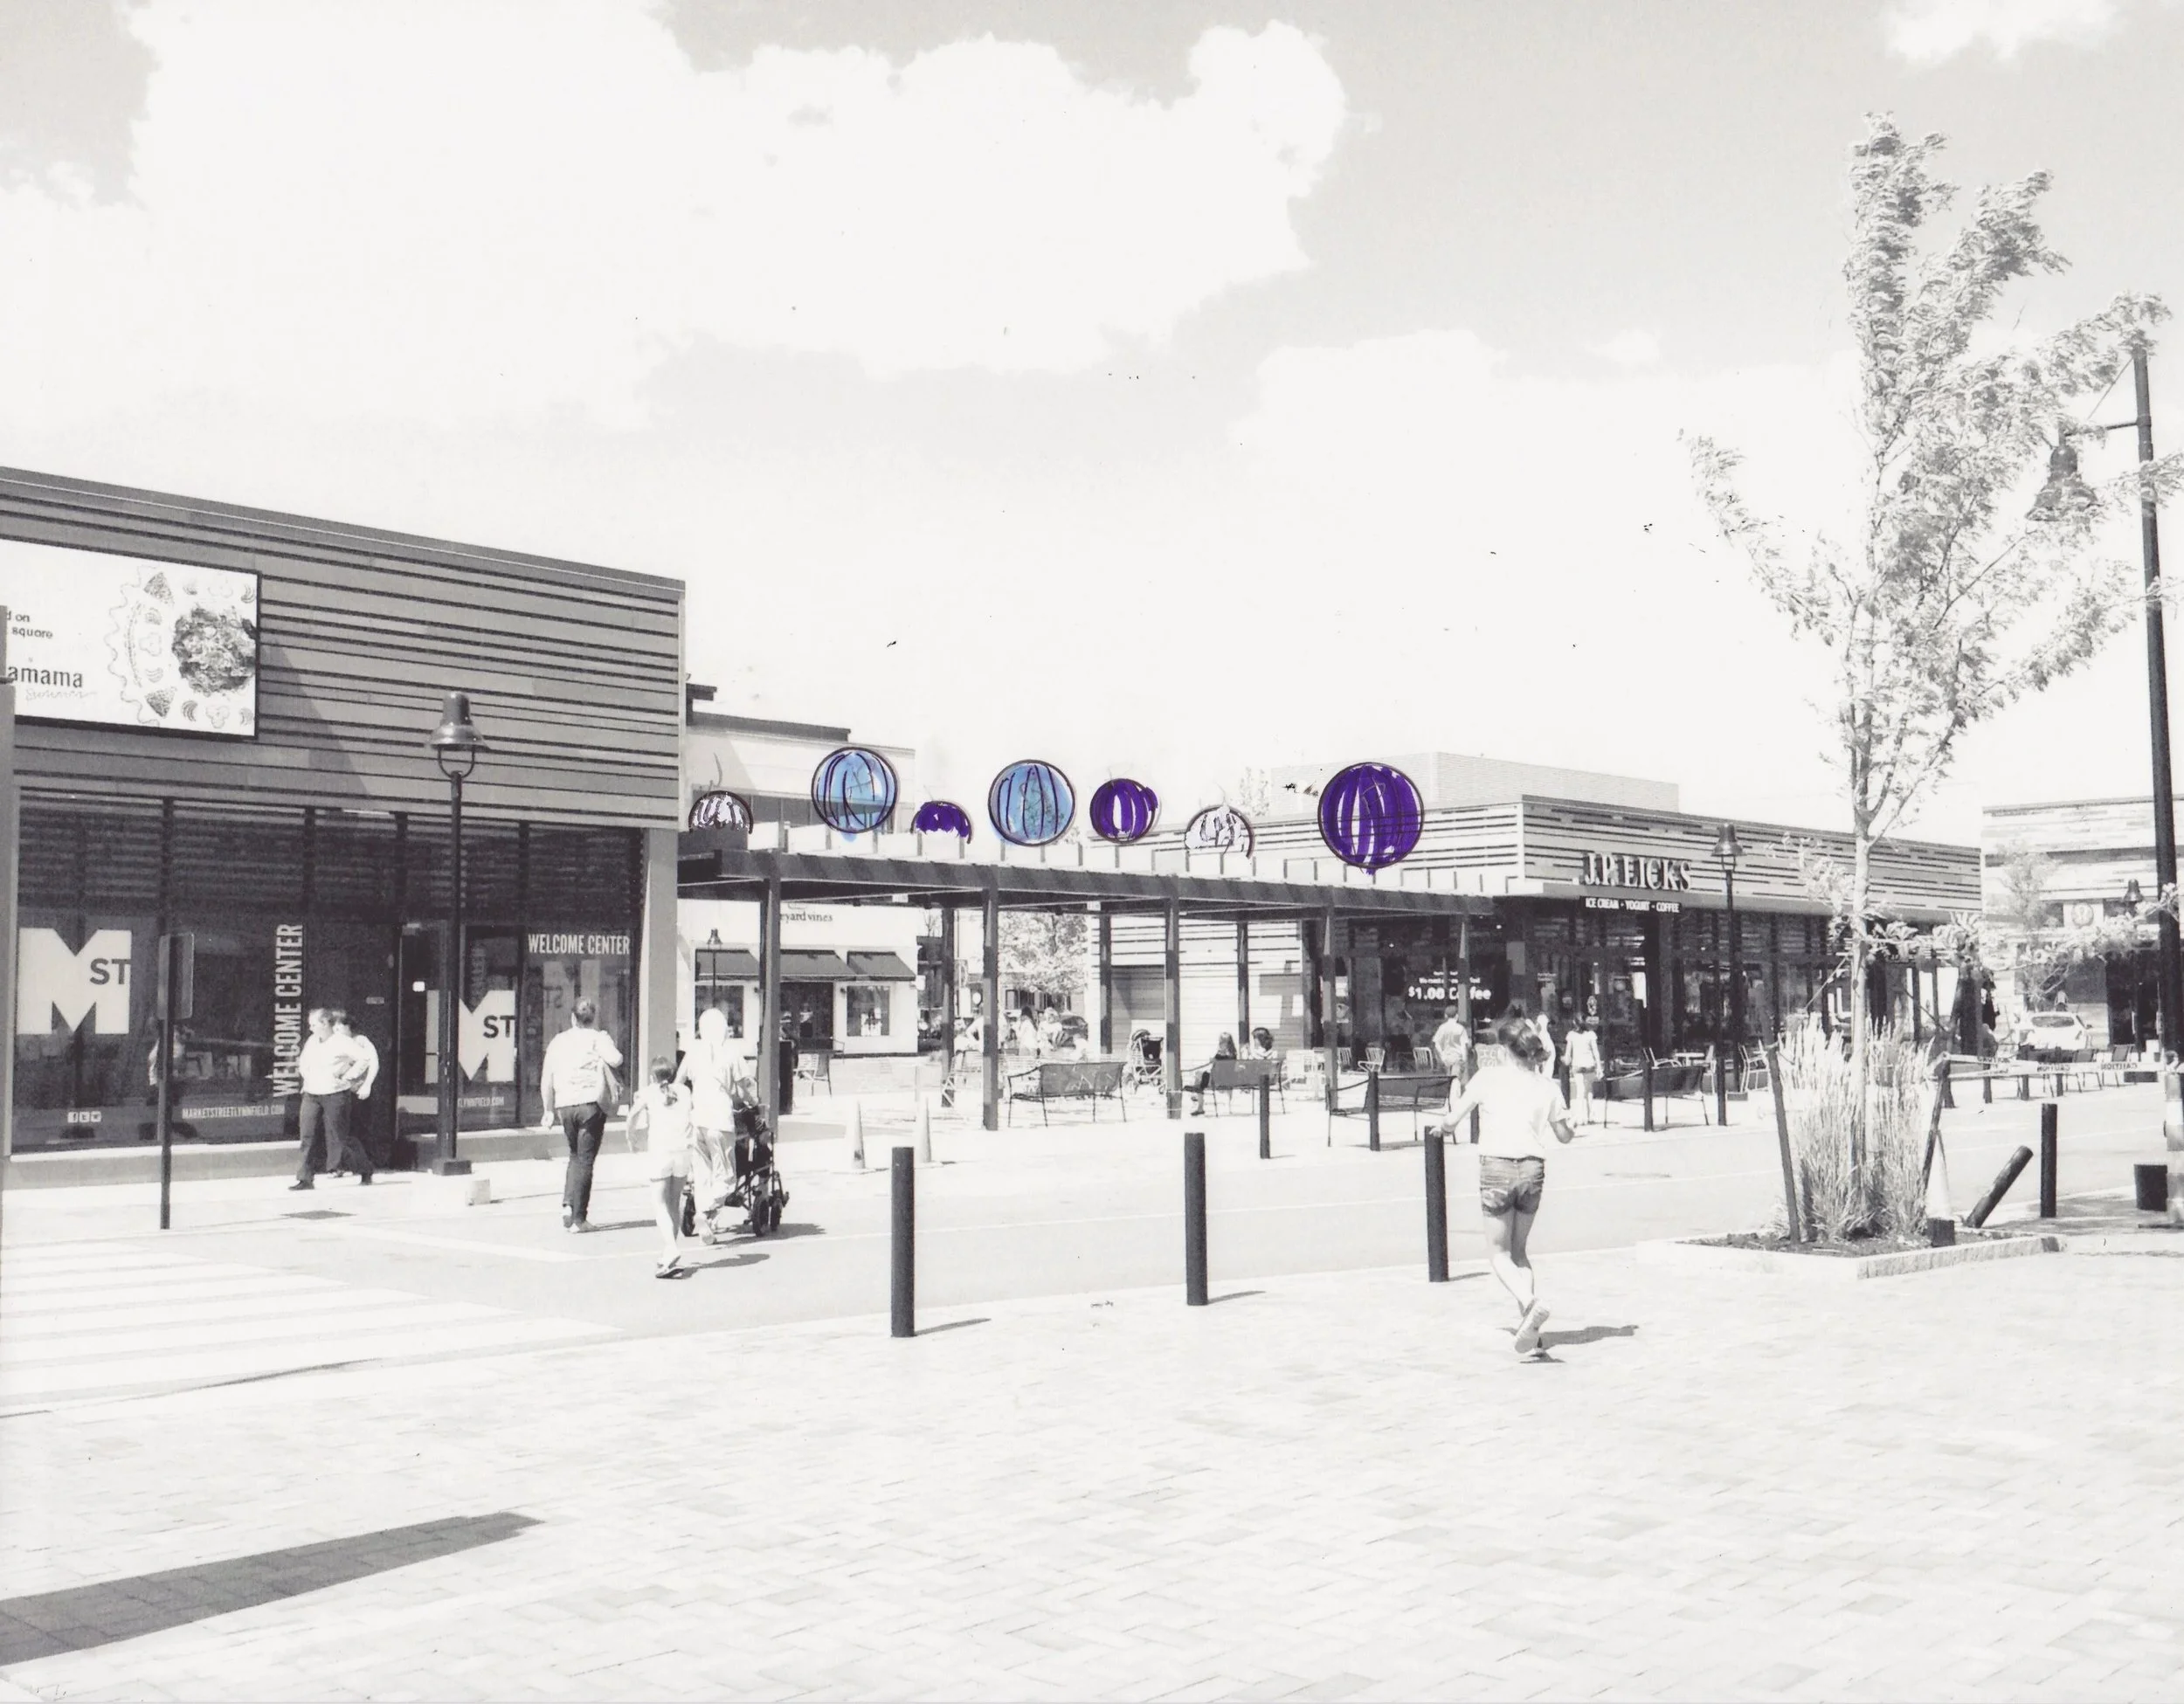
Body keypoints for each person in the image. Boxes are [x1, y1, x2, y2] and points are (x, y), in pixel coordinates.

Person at [1442, 1014, 1578, 1357]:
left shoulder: (1487, 1078)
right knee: (1520, 1251)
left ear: (1505, 1049)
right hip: (1533, 1168)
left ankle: (1530, 1302)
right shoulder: (1547, 1086)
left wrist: (1440, 1129)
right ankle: (1530, 1335)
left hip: (1496, 1166)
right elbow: (1564, 1135)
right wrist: (1571, 1122)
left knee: (1499, 1254)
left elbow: (1452, 1119)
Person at [539, 998, 623, 1232]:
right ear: (593, 1018)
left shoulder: (558, 1041)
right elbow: (617, 1059)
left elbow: (547, 1078)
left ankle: (568, 1204)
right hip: (590, 1104)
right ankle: (579, 1219)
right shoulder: (598, 1038)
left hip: (565, 1105)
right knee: (586, 1159)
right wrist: (606, 1040)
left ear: (573, 1018)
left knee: (574, 1155)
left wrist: (548, 1109)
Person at [678, 1008, 743, 1238]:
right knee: (726, 1178)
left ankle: (704, 1217)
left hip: (697, 1121)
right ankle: (706, 1212)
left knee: (703, 1174)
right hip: (720, 1120)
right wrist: (751, 1100)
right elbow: (744, 1086)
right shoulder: (731, 1051)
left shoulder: (693, 1051)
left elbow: (679, 1082)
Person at [290, 1007, 369, 1190]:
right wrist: (307, 1078)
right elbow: (304, 1062)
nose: (310, 1028)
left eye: (314, 1024)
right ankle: (305, 1178)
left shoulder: (343, 1042)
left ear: (325, 1024)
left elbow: (364, 1059)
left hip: (334, 1094)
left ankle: (364, 1168)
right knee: (307, 1135)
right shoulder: (312, 1041)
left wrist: (348, 1075)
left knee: (339, 1136)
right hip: (311, 1093)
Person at [628, 1057, 692, 1277]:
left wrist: (631, 1138)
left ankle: (672, 1249)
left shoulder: (648, 1092)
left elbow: (633, 1115)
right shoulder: (684, 1092)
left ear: (652, 1076)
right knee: (674, 1203)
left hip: (661, 1151)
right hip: (683, 1150)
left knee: (659, 1203)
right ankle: (668, 1256)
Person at [328, 1011, 381, 1177]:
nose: (337, 1029)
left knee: (358, 1129)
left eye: (340, 1026)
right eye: (334, 1026)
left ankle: (366, 1164)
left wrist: (367, 1085)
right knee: (339, 1130)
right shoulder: (332, 1043)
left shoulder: (360, 1041)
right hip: (338, 1091)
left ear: (349, 1027)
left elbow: (373, 1063)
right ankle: (340, 1165)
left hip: (358, 1091)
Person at [1564, 1018, 1603, 1127]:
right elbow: (1596, 1052)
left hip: (1578, 1065)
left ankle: (1580, 1117)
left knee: (1580, 1092)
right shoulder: (1591, 1035)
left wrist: (1566, 1061)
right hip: (1589, 1064)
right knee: (1589, 1090)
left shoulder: (1571, 1035)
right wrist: (1599, 1066)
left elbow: (1568, 1052)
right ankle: (1591, 1115)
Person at [1188, 1032, 1239, 1115]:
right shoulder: (1234, 1054)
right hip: (1230, 1080)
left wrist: (1212, 1060)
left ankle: (1199, 1105)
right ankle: (1197, 1097)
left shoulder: (1219, 1055)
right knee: (1200, 1076)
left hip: (1217, 1080)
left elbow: (1214, 1066)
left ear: (1222, 1042)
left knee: (1198, 1076)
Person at [1430, 1005, 1471, 1077]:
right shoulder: (1460, 1028)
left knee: (1447, 1080)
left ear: (1446, 1016)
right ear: (1457, 1016)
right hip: (1457, 1058)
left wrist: (1442, 1055)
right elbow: (1463, 1046)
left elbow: (1437, 1043)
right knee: (1456, 1080)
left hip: (1446, 1059)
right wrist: (1464, 1059)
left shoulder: (1442, 1028)